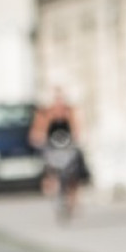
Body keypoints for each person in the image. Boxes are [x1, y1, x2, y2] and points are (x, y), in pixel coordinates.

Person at [29, 87, 87, 222]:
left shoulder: (70, 111)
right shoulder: (44, 113)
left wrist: (79, 137)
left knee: (74, 173)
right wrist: (40, 137)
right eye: (56, 99)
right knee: (50, 172)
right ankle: (53, 193)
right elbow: (37, 133)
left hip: (67, 147)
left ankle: (73, 200)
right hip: (52, 148)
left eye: (61, 99)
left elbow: (79, 128)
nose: (59, 102)